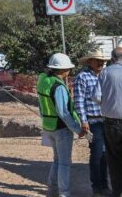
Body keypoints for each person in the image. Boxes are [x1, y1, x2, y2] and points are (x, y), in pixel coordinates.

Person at [37, 53, 86, 197]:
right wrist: (77, 129)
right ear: (63, 70)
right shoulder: (59, 87)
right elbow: (63, 112)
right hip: (61, 129)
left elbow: (41, 105)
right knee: (64, 163)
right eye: (68, 68)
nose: (70, 71)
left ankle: (51, 191)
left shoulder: (44, 81)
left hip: (48, 126)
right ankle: (64, 193)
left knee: (57, 160)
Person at [93, 46, 122, 197]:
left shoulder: (104, 73)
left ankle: (118, 194)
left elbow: (96, 97)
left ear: (112, 59)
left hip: (110, 124)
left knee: (115, 161)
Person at [74, 49, 110, 197]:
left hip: (107, 121)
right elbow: (79, 100)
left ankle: (104, 185)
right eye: (97, 60)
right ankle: (97, 187)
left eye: (102, 60)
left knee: (105, 155)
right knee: (96, 155)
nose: (101, 63)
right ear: (90, 62)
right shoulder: (82, 77)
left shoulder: (106, 76)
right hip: (93, 121)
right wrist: (83, 120)